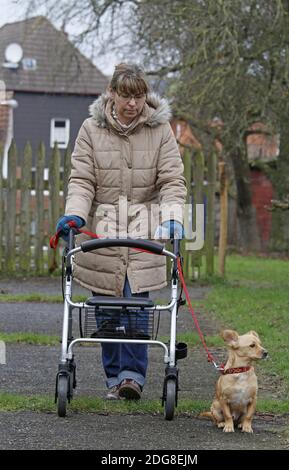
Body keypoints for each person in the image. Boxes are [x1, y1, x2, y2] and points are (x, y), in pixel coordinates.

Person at [56, 63, 186, 400]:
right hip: (103, 231)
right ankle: (114, 378)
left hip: (145, 229)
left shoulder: (160, 131)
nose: (133, 103)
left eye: (139, 96)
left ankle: (132, 377)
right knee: (107, 306)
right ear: (112, 93)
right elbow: (82, 180)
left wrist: (172, 217)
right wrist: (74, 215)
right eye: (126, 96)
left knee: (138, 304)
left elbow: (172, 180)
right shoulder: (90, 129)